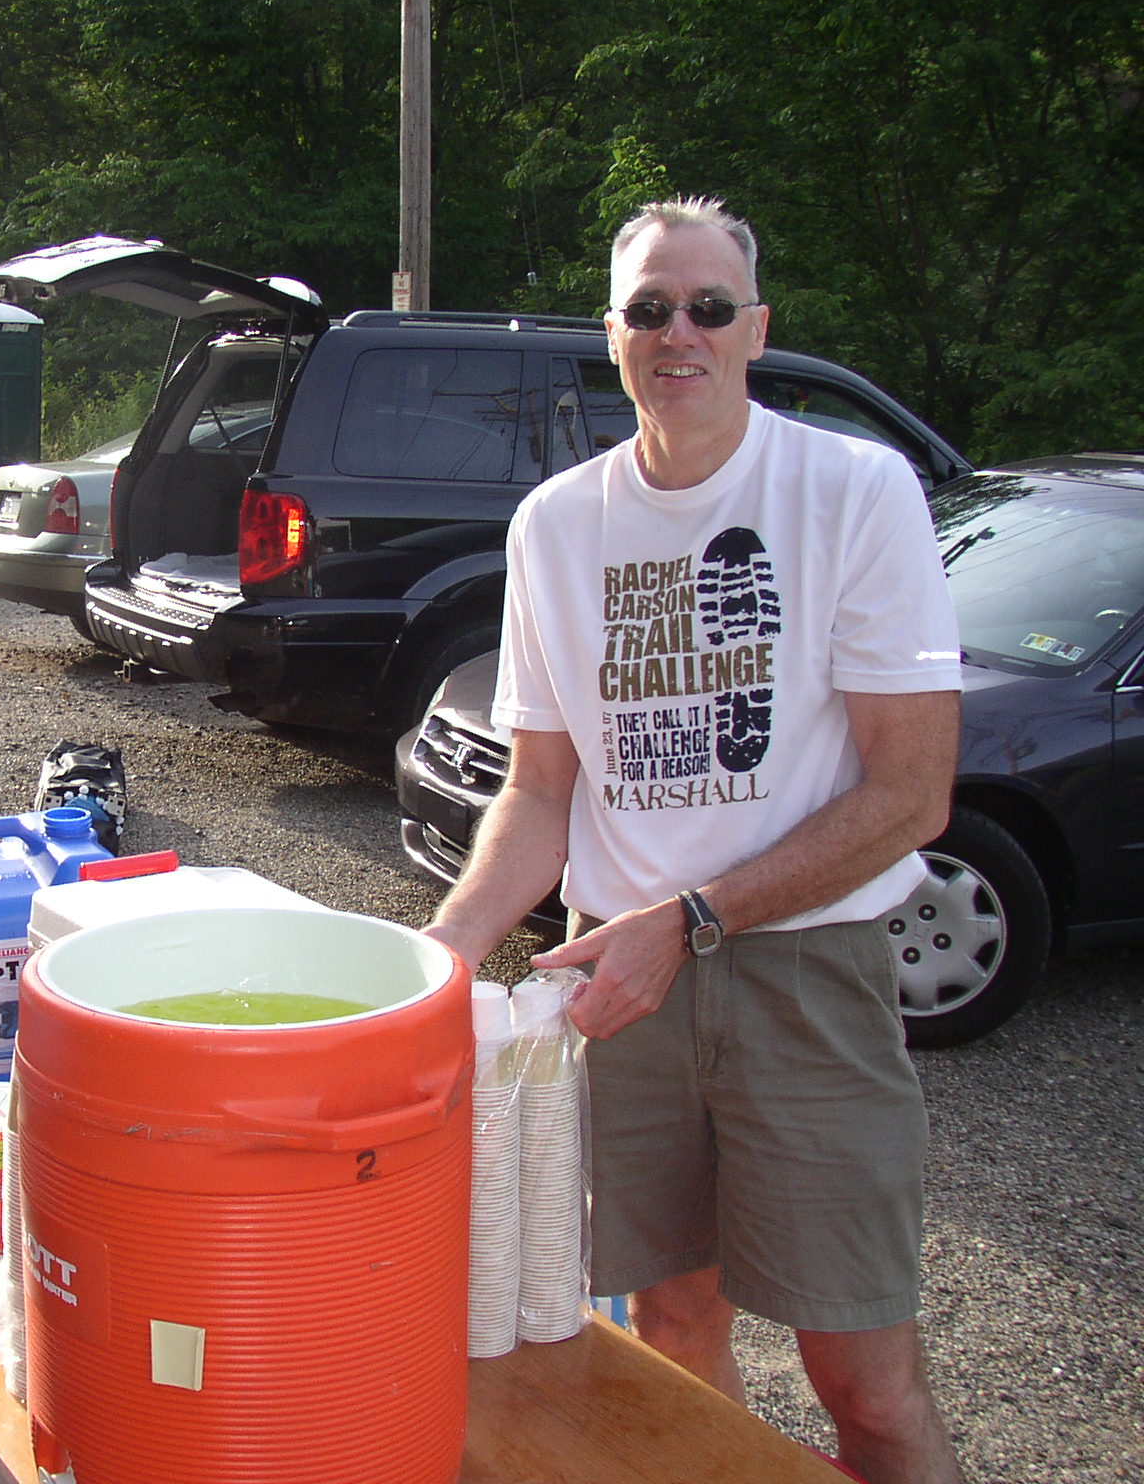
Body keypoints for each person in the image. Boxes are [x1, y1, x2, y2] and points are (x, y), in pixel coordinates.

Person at [424, 198, 966, 1484]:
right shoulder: (555, 523)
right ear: (609, 337)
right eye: (650, 309)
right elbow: (542, 788)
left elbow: (913, 795)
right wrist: (437, 953)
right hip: (621, 989)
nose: (682, 332)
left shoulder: (852, 488)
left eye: (709, 308)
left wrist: (694, 921)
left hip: (807, 971)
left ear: (754, 329)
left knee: (867, 1384)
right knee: (668, 1326)